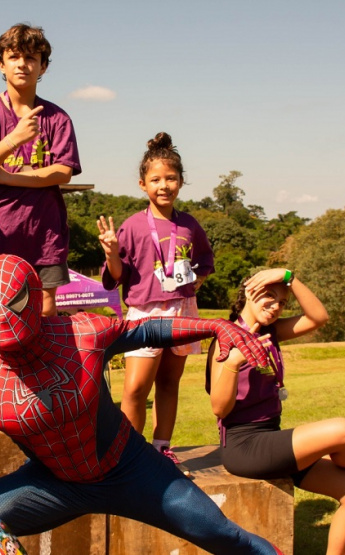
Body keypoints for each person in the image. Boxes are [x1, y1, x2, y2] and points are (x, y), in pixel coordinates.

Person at [0, 255, 281, 555]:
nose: (3, 317)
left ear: (34, 300)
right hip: (54, 484)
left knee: (226, 536)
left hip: (130, 466)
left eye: (14, 305)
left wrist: (215, 325)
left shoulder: (82, 333)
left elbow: (148, 330)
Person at [206, 269, 345, 554]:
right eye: (269, 297)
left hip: (271, 440)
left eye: (283, 302)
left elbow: (317, 318)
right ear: (249, 292)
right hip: (244, 447)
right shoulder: (226, 339)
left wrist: (289, 277)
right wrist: (233, 362)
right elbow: (219, 407)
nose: (276, 307)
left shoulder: (270, 332)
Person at [98, 132, 214, 471]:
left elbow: (204, 263)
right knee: (135, 388)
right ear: (142, 184)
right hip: (145, 312)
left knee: (168, 383)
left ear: (181, 182)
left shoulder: (190, 225)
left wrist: (191, 285)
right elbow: (117, 275)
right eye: (156, 180)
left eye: (171, 178)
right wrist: (110, 252)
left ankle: (162, 447)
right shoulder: (133, 226)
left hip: (182, 309)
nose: (164, 185)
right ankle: (131, 453)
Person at [0, 23, 82, 317]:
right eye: (14, 56)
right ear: (1, 64)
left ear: (43, 67)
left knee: (45, 309)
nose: (22, 65)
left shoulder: (57, 117)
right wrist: (13, 139)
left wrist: (8, 177)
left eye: (31, 58)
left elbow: (63, 172)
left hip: (46, 235)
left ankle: (42, 367)